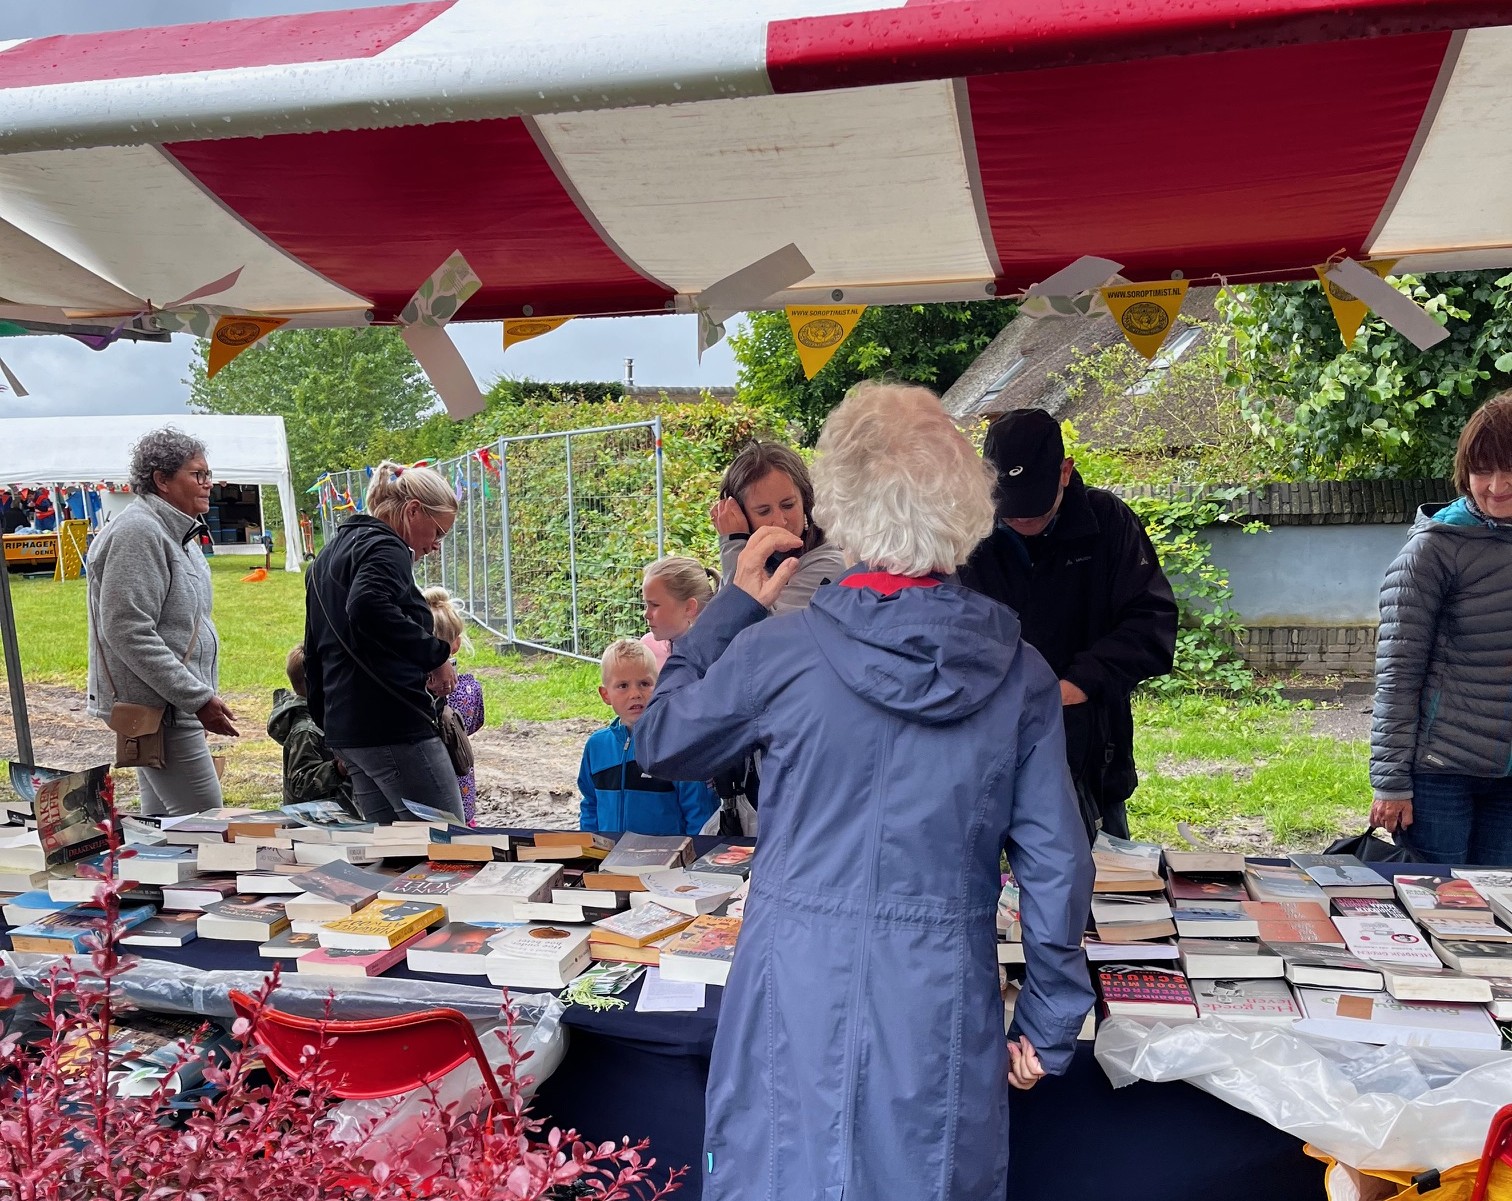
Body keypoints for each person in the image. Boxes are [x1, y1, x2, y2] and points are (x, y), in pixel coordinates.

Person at [636, 382, 1094, 1201]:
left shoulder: (779, 653)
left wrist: (735, 601)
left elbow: (662, 737)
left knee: (778, 1175)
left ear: (836, 507)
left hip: (793, 982)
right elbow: (1056, 860)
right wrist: (1051, 1018)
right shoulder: (1019, 675)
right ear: (967, 507)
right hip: (936, 990)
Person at [959, 408, 1177, 840]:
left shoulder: (1108, 521)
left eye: (1033, 505)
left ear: (1064, 472)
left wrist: (1080, 683)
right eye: (1008, 506)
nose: (1020, 519)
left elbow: (1151, 622)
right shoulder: (967, 534)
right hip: (987, 741)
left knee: (1104, 882)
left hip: (1089, 741)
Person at [1370, 394, 1512, 865]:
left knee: (1498, 923)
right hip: (1441, 773)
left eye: (1510, 469)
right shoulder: (1434, 548)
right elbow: (1397, 672)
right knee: (1437, 910)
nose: (1496, 486)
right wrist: (1391, 781)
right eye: (1482, 469)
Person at [86, 428, 239, 816]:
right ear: (162, 480)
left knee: (166, 827)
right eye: (198, 474)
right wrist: (196, 697)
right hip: (158, 710)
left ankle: (151, 879)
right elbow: (126, 628)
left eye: (208, 474)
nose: (209, 483)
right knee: (204, 822)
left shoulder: (176, 532)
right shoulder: (139, 532)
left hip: (169, 706)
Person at [304, 461, 464, 824]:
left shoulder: (331, 552)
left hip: (349, 727)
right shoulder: (386, 547)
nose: (436, 546)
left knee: (391, 853)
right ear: (412, 511)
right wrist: (436, 654)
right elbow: (366, 605)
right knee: (448, 845)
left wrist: (329, 721)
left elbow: (314, 646)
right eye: (438, 532)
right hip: (392, 725)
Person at [579, 639, 717, 836]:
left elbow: (699, 811)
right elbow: (590, 805)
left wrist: (695, 857)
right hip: (609, 860)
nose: (635, 694)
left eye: (644, 684)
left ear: (659, 685)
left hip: (667, 862)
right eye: (623, 686)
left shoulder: (676, 744)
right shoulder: (596, 746)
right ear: (605, 694)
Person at [709, 440, 846, 614]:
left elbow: (752, 632)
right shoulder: (754, 559)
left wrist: (734, 544)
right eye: (764, 511)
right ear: (742, 516)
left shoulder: (829, 562)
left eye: (788, 505)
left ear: (805, 501)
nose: (780, 521)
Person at [424, 585, 486, 826]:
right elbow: (474, 724)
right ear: (456, 643)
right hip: (461, 781)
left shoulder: (414, 690)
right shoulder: (470, 688)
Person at [268, 644, 352, 809]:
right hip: (314, 824)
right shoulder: (306, 730)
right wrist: (338, 768)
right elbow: (299, 782)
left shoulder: (322, 719)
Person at [640, 555, 719, 669]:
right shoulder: (647, 649)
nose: (646, 614)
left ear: (689, 608)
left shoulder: (715, 657)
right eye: (646, 605)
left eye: (655, 605)